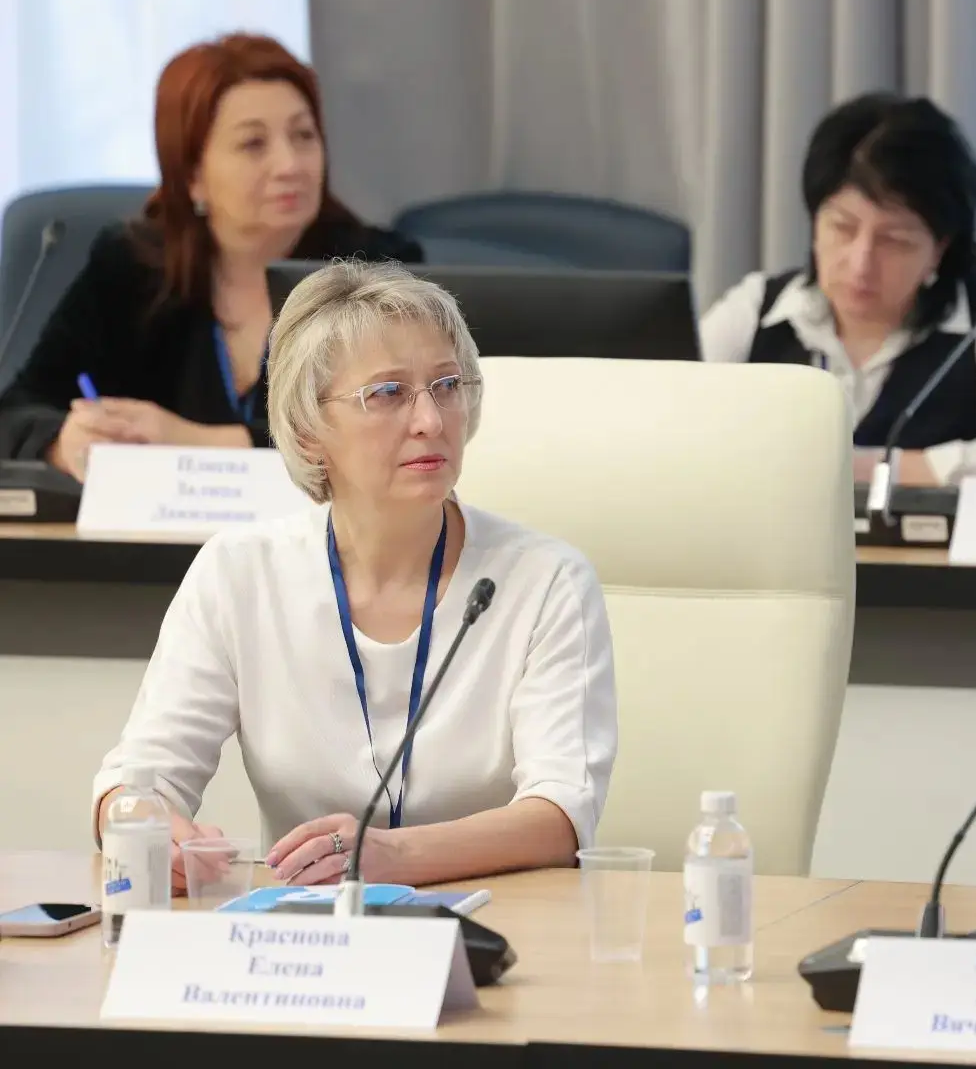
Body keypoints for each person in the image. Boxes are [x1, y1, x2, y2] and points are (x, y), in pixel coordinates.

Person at [92, 260, 617, 890]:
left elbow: (560, 815)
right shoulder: (240, 574)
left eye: (446, 385)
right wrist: (146, 827)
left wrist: (393, 856)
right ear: (309, 430)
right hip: (305, 933)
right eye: (388, 393)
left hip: (504, 923)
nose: (430, 420)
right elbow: (138, 778)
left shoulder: (545, 580)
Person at [0, 32, 421, 480]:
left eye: (303, 135)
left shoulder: (375, 270)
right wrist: (63, 443)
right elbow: (16, 413)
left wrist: (192, 441)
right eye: (253, 144)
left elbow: (403, 425)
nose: (290, 165)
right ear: (192, 176)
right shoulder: (133, 269)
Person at [700, 92, 976, 484]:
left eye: (894, 241)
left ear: (939, 249)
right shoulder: (759, 307)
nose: (860, 262)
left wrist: (871, 469)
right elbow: (669, 423)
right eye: (842, 228)